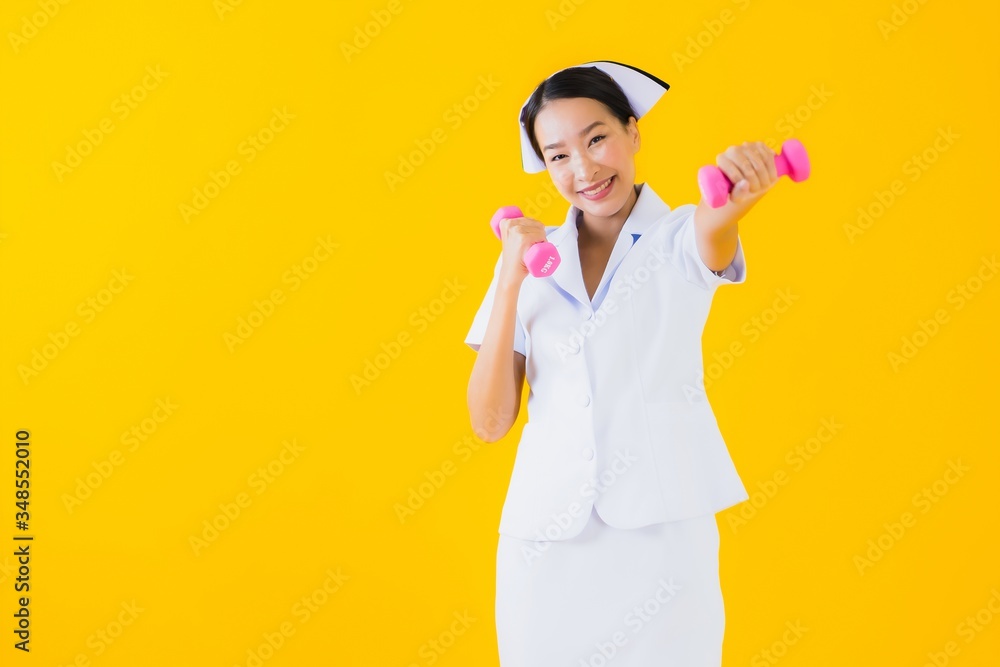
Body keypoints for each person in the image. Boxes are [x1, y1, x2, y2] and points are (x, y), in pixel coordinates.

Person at [464, 60, 779, 666]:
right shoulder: (531, 261)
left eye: (597, 138)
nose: (584, 170)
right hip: (545, 547)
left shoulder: (677, 236)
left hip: (661, 537)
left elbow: (714, 229)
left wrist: (738, 194)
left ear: (632, 131)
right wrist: (508, 280)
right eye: (558, 155)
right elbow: (489, 422)